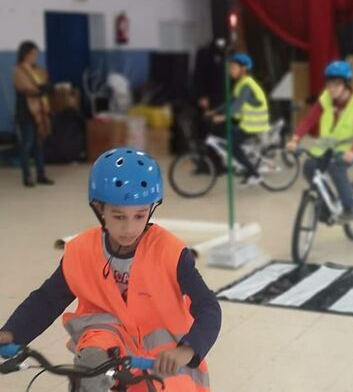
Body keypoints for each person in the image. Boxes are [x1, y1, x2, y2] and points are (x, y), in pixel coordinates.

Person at [0, 147, 221, 391]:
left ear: (151, 209)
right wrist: (12, 332)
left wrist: (187, 350)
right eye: (118, 216)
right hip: (109, 354)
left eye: (140, 216)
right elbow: (47, 300)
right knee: (94, 350)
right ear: (99, 209)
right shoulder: (82, 252)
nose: (129, 228)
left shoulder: (171, 253)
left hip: (166, 362)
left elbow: (208, 306)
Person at [286, 60, 353, 219]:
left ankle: (351, 207)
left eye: (336, 84)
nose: (331, 88)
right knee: (309, 167)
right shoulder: (326, 98)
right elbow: (309, 120)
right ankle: (327, 204)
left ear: (346, 84)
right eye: (329, 84)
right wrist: (295, 139)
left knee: (335, 168)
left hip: (350, 148)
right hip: (327, 145)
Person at [209, 52, 270, 187]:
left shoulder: (247, 85)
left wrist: (223, 117)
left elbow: (237, 104)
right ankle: (243, 165)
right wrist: (215, 111)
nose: (230, 70)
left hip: (254, 124)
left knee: (232, 145)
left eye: (233, 67)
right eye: (230, 67)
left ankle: (255, 174)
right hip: (246, 123)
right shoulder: (240, 84)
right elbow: (230, 102)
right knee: (225, 133)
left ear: (243, 69)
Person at [12, 40, 53, 187]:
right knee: (27, 144)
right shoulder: (18, 70)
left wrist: (44, 88)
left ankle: (41, 174)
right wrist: (41, 89)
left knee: (39, 144)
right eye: (33, 54)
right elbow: (29, 88)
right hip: (26, 111)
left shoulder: (37, 69)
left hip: (39, 111)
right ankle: (27, 176)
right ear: (25, 54)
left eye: (36, 54)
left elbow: (46, 83)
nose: (35, 56)